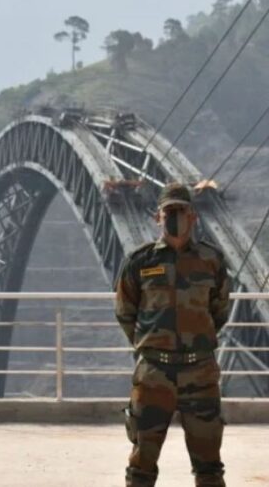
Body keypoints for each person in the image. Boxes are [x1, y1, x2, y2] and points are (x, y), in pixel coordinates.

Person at [115, 183, 231, 487]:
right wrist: (151, 345)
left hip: (200, 372)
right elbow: (125, 311)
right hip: (154, 373)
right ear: (158, 217)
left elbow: (219, 310)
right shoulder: (140, 262)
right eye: (169, 211)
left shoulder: (212, 260)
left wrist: (197, 340)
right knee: (142, 464)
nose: (175, 216)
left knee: (209, 466)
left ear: (193, 216)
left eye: (181, 210)